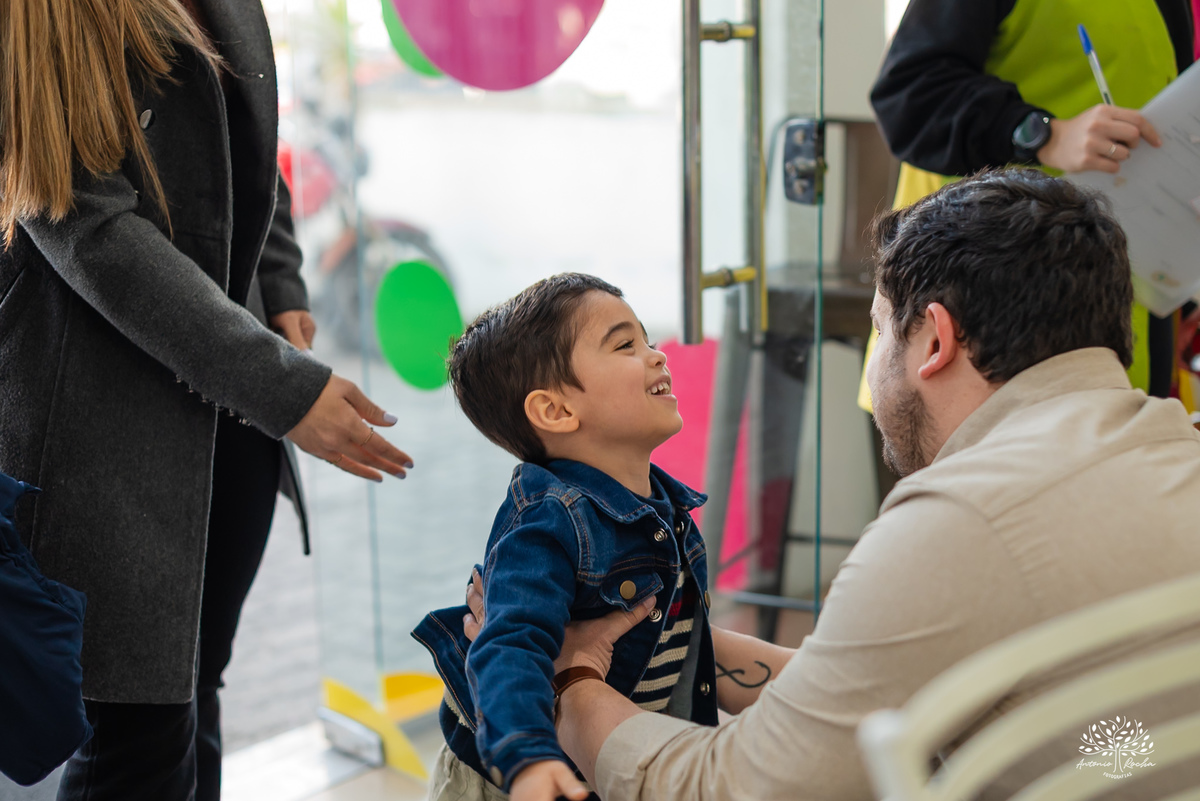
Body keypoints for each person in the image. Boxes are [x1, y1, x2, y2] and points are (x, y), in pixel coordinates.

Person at [466, 171, 1200, 799]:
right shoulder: (1172, 451)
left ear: (934, 342)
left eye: (881, 331)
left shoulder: (958, 520)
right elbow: (1112, 741)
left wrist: (571, 690)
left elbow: (737, 788)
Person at [0, 1, 413, 799]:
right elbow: (85, 225)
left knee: (194, 689)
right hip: (94, 420)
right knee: (138, 731)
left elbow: (245, 144)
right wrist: (279, 386)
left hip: (226, 405)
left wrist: (280, 277)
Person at [412, 274, 718, 801]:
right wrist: (526, 756)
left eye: (645, 338)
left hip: (598, 760)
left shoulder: (664, 506)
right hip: (512, 779)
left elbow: (683, 636)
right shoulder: (548, 519)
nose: (656, 355)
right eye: (625, 345)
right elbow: (508, 644)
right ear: (555, 410)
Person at [866, 0, 1194, 403]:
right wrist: (1044, 134)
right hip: (995, 306)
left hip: (1138, 302)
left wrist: (1187, 294)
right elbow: (908, 97)